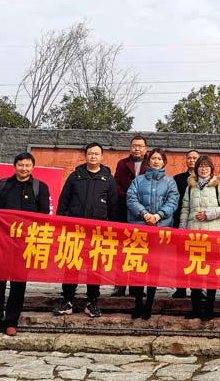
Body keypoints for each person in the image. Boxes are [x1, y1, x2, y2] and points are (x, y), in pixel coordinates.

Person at [0, 152, 50, 336]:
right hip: (1, 243)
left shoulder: (40, 188)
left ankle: (11, 321)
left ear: (33, 167)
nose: (24, 169)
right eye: (20, 165)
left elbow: (44, 218)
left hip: (24, 244)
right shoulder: (3, 185)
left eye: (27, 165)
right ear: (14, 166)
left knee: (18, 284)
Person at [53, 142, 119, 318]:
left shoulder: (108, 179)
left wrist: (112, 230)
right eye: (90, 153)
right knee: (71, 264)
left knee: (94, 267)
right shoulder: (75, 176)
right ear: (85, 156)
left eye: (97, 154)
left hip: (97, 232)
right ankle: (67, 299)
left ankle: (92, 301)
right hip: (75, 231)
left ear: (102, 157)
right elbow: (63, 201)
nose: (93, 156)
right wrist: (60, 223)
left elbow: (113, 205)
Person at [125, 147, 179, 320]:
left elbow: (173, 201)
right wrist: (144, 214)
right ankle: (138, 303)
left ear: (164, 162)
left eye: (159, 159)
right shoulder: (138, 180)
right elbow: (131, 199)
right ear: (148, 161)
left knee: (154, 267)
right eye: (153, 158)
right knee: (138, 267)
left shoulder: (170, 182)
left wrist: (158, 215)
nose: (156, 161)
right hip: (139, 229)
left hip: (160, 229)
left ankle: (149, 304)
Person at [179, 155, 220, 321]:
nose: (203, 169)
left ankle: (209, 307)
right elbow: (185, 209)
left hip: (212, 234)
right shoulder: (191, 186)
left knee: (210, 271)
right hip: (193, 234)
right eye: (201, 166)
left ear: (211, 169)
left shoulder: (218, 185)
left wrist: (210, 214)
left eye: (206, 167)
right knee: (194, 270)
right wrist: (182, 230)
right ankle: (195, 307)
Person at [111, 134, 148, 297]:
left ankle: (136, 287)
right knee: (122, 249)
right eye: (134, 146)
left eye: (140, 146)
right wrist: (129, 199)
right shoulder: (122, 164)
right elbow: (116, 185)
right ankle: (119, 285)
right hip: (124, 210)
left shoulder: (151, 163)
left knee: (139, 250)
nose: (137, 149)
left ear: (145, 148)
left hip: (144, 213)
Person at [171, 149, 200, 299]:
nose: (192, 160)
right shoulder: (178, 179)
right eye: (189, 158)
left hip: (199, 223)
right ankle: (180, 288)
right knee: (181, 258)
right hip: (181, 221)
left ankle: (197, 289)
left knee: (197, 257)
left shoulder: (206, 180)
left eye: (195, 158)